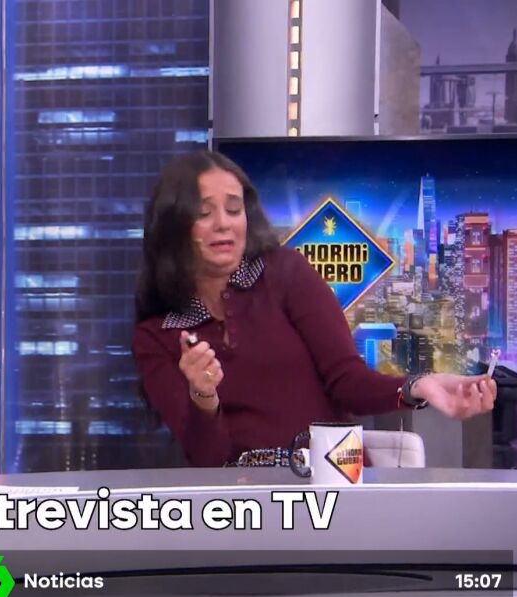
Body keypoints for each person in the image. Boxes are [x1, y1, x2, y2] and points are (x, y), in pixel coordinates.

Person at [132, 151, 496, 466]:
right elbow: (207, 458)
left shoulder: (285, 272)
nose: (223, 223)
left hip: (336, 482)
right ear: (174, 226)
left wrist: (420, 386)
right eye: (204, 212)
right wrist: (203, 396)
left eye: (233, 209)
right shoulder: (157, 336)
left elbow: (348, 382)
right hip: (246, 505)